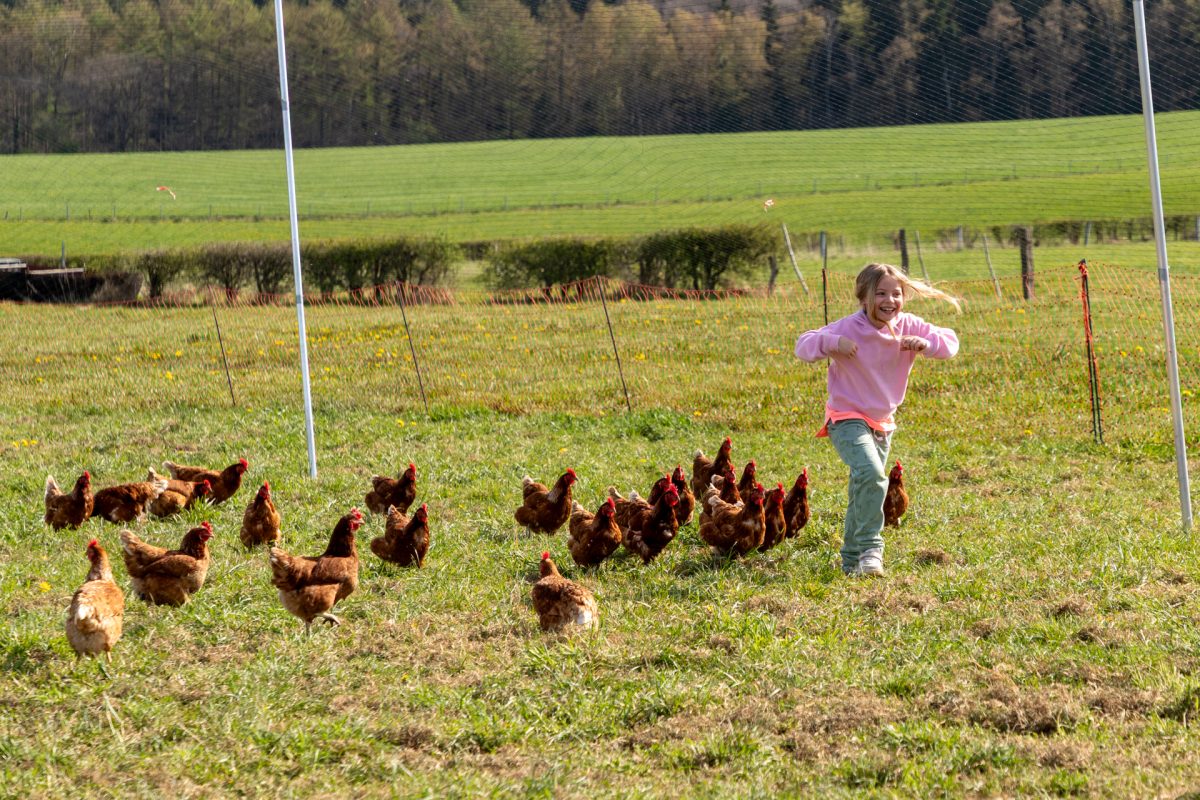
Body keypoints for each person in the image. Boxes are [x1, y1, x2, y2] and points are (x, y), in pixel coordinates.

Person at [794, 263, 960, 576]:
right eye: (880, 293)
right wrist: (834, 343)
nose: (890, 300)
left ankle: (850, 561)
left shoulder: (909, 325)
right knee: (872, 474)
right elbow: (803, 346)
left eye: (896, 294)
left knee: (864, 488)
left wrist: (926, 344)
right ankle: (872, 550)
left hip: (883, 422)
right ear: (863, 297)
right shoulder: (848, 327)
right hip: (846, 418)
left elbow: (950, 342)